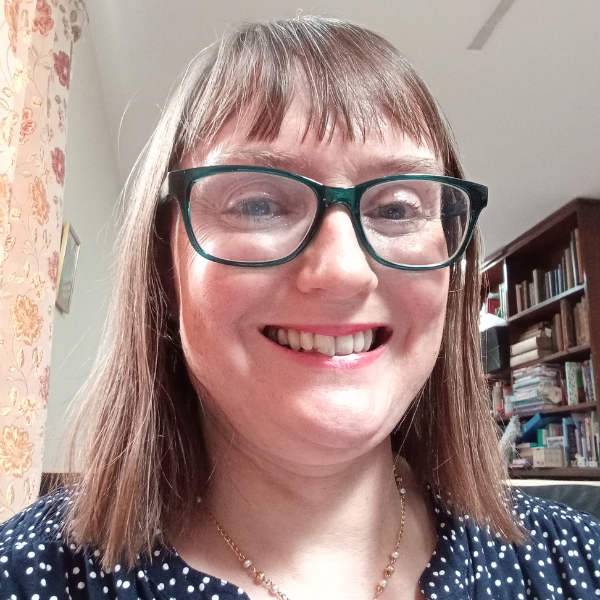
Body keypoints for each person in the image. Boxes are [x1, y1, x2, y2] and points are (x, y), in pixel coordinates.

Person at [1, 16, 599, 600]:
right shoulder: (28, 576)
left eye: (395, 209)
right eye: (258, 204)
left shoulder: (579, 562)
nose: (342, 272)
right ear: (165, 261)